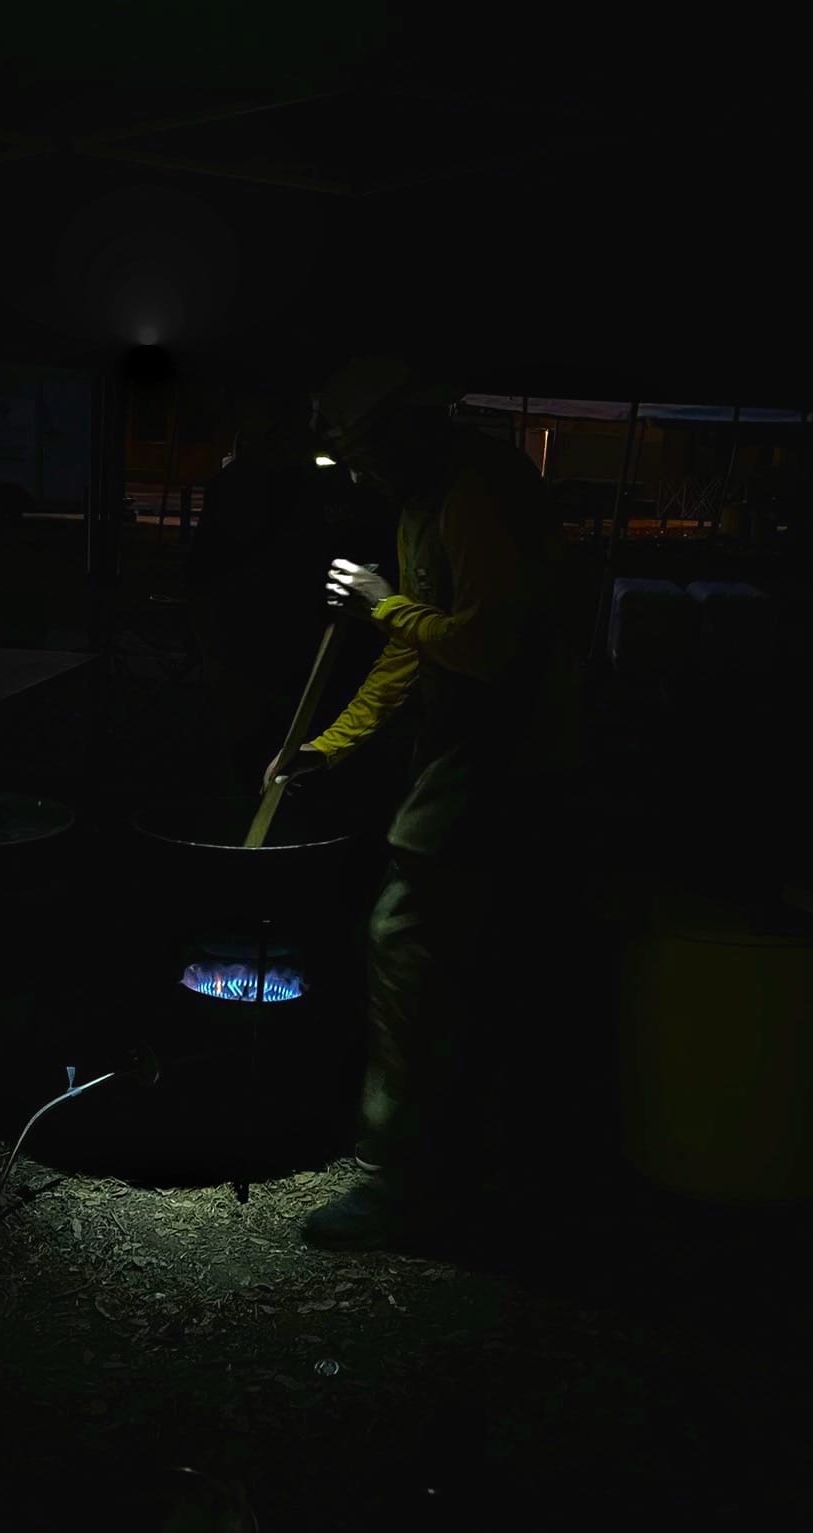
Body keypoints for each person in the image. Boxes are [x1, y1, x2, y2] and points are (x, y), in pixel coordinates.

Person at [264, 356, 551, 1251]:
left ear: (411, 424)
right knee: (456, 961)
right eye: (349, 455)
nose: (360, 472)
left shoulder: (479, 492)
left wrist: (385, 605)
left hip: (511, 761)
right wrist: (327, 745)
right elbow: (406, 656)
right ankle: (470, 1168)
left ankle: (411, 1183)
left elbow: (484, 645)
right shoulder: (421, 498)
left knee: (409, 939)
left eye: (365, 449)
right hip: (463, 759)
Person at [189, 384, 392, 796]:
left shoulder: (335, 480)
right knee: (255, 766)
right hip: (254, 657)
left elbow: (373, 548)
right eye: (268, 430)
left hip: (331, 654)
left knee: (322, 767)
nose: (287, 439)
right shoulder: (236, 486)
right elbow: (206, 579)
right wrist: (217, 659)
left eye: (291, 426)